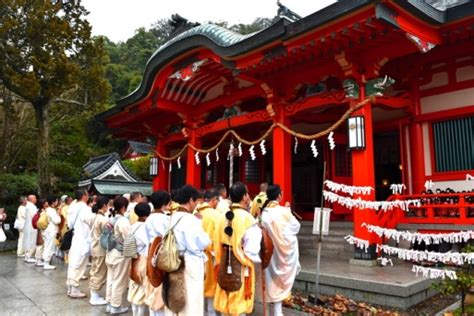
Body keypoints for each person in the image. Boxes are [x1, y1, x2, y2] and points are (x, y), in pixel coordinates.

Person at [213, 182, 262, 315]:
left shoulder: (222, 217)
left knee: (226, 298)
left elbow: (216, 241)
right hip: (241, 265)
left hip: (223, 262)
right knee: (239, 305)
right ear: (245, 196)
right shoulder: (248, 219)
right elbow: (252, 249)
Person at [163, 185, 210, 316]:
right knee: (191, 301)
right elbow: (203, 242)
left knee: (173, 298)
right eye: (196, 202)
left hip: (173, 261)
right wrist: (199, 225)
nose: (196, 205)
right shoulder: (191, 220)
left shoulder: (170, 217)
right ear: (191, 200)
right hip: (190, 262)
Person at [261, 185, 301, 316]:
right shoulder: (283, 211)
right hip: (282, 251)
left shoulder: (264, 212)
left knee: (269, 280)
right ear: (279, 196)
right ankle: (278, 312)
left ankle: (267, 311)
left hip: (269, 251)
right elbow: (295, 227)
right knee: (279, 281)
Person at [195, 188, 222, 316]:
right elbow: (219, 236)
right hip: (210, 253)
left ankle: (201, 310)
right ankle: (211, 311)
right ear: (214, 200)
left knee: (199, 282)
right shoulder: (215, 215)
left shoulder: (195, 212)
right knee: (211, 282)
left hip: (195, 253)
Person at [144, 190, 171, 316]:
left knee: (152, 284)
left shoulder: (149, 218)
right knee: (160, 286)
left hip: (150, 251)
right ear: (165, 204)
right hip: (161, 253)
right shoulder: (165, 219)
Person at [105, 196, 131, 314]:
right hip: (119, 254)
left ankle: (109, 303)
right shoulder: (123, 221)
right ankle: (116, 306)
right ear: (124, 207)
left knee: (111, 278)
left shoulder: (111, 218)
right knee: (119, 280)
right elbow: (128, 238)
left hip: (110, 252)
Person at [67, 189, 93, 298]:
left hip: (76, 236)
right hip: (83, 238)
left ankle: (70, 287)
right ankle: (74, 288)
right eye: (87, 194)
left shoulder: (72, 207)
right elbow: (89, 224)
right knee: (79, 263)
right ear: (84, 196)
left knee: (73, 262)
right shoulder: (85, 209)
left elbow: (70, 223)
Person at [128, 202, 151, 316]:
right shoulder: (145, 228)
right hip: (142, 259)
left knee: (133, 286)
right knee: (141, 289)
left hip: (133, 259)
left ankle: (135, 313)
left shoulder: (132, 226)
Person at [88, 196, 109, 306]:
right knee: (99, 272)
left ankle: (94, 293)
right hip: (100, 248)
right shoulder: (103, 219)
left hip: (95, 246)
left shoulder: (95, 217)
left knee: (95, 270)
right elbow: (109, 235)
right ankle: (94, 296)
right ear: (105, 205)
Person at [42, 196, 61, 270]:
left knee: (47, 245)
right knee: (49, 246)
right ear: (53, 202)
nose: (57, 202)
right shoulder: (51, 210)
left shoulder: (48, 210)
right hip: (50, 230)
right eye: (56, 201)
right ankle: (46, 263)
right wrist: (58, 214)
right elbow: (57, 221)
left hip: (47, 230)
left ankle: (46, 262)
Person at [23, 194, 38, 264]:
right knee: (32, 241)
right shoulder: (31, 206)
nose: (36, 200)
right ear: (31, 199)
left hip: (28, 226)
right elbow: (35, 216)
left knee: (27, 241)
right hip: (32, 227)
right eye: (35, 198)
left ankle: (27, 256)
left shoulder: (27, 206)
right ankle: (29, 256)